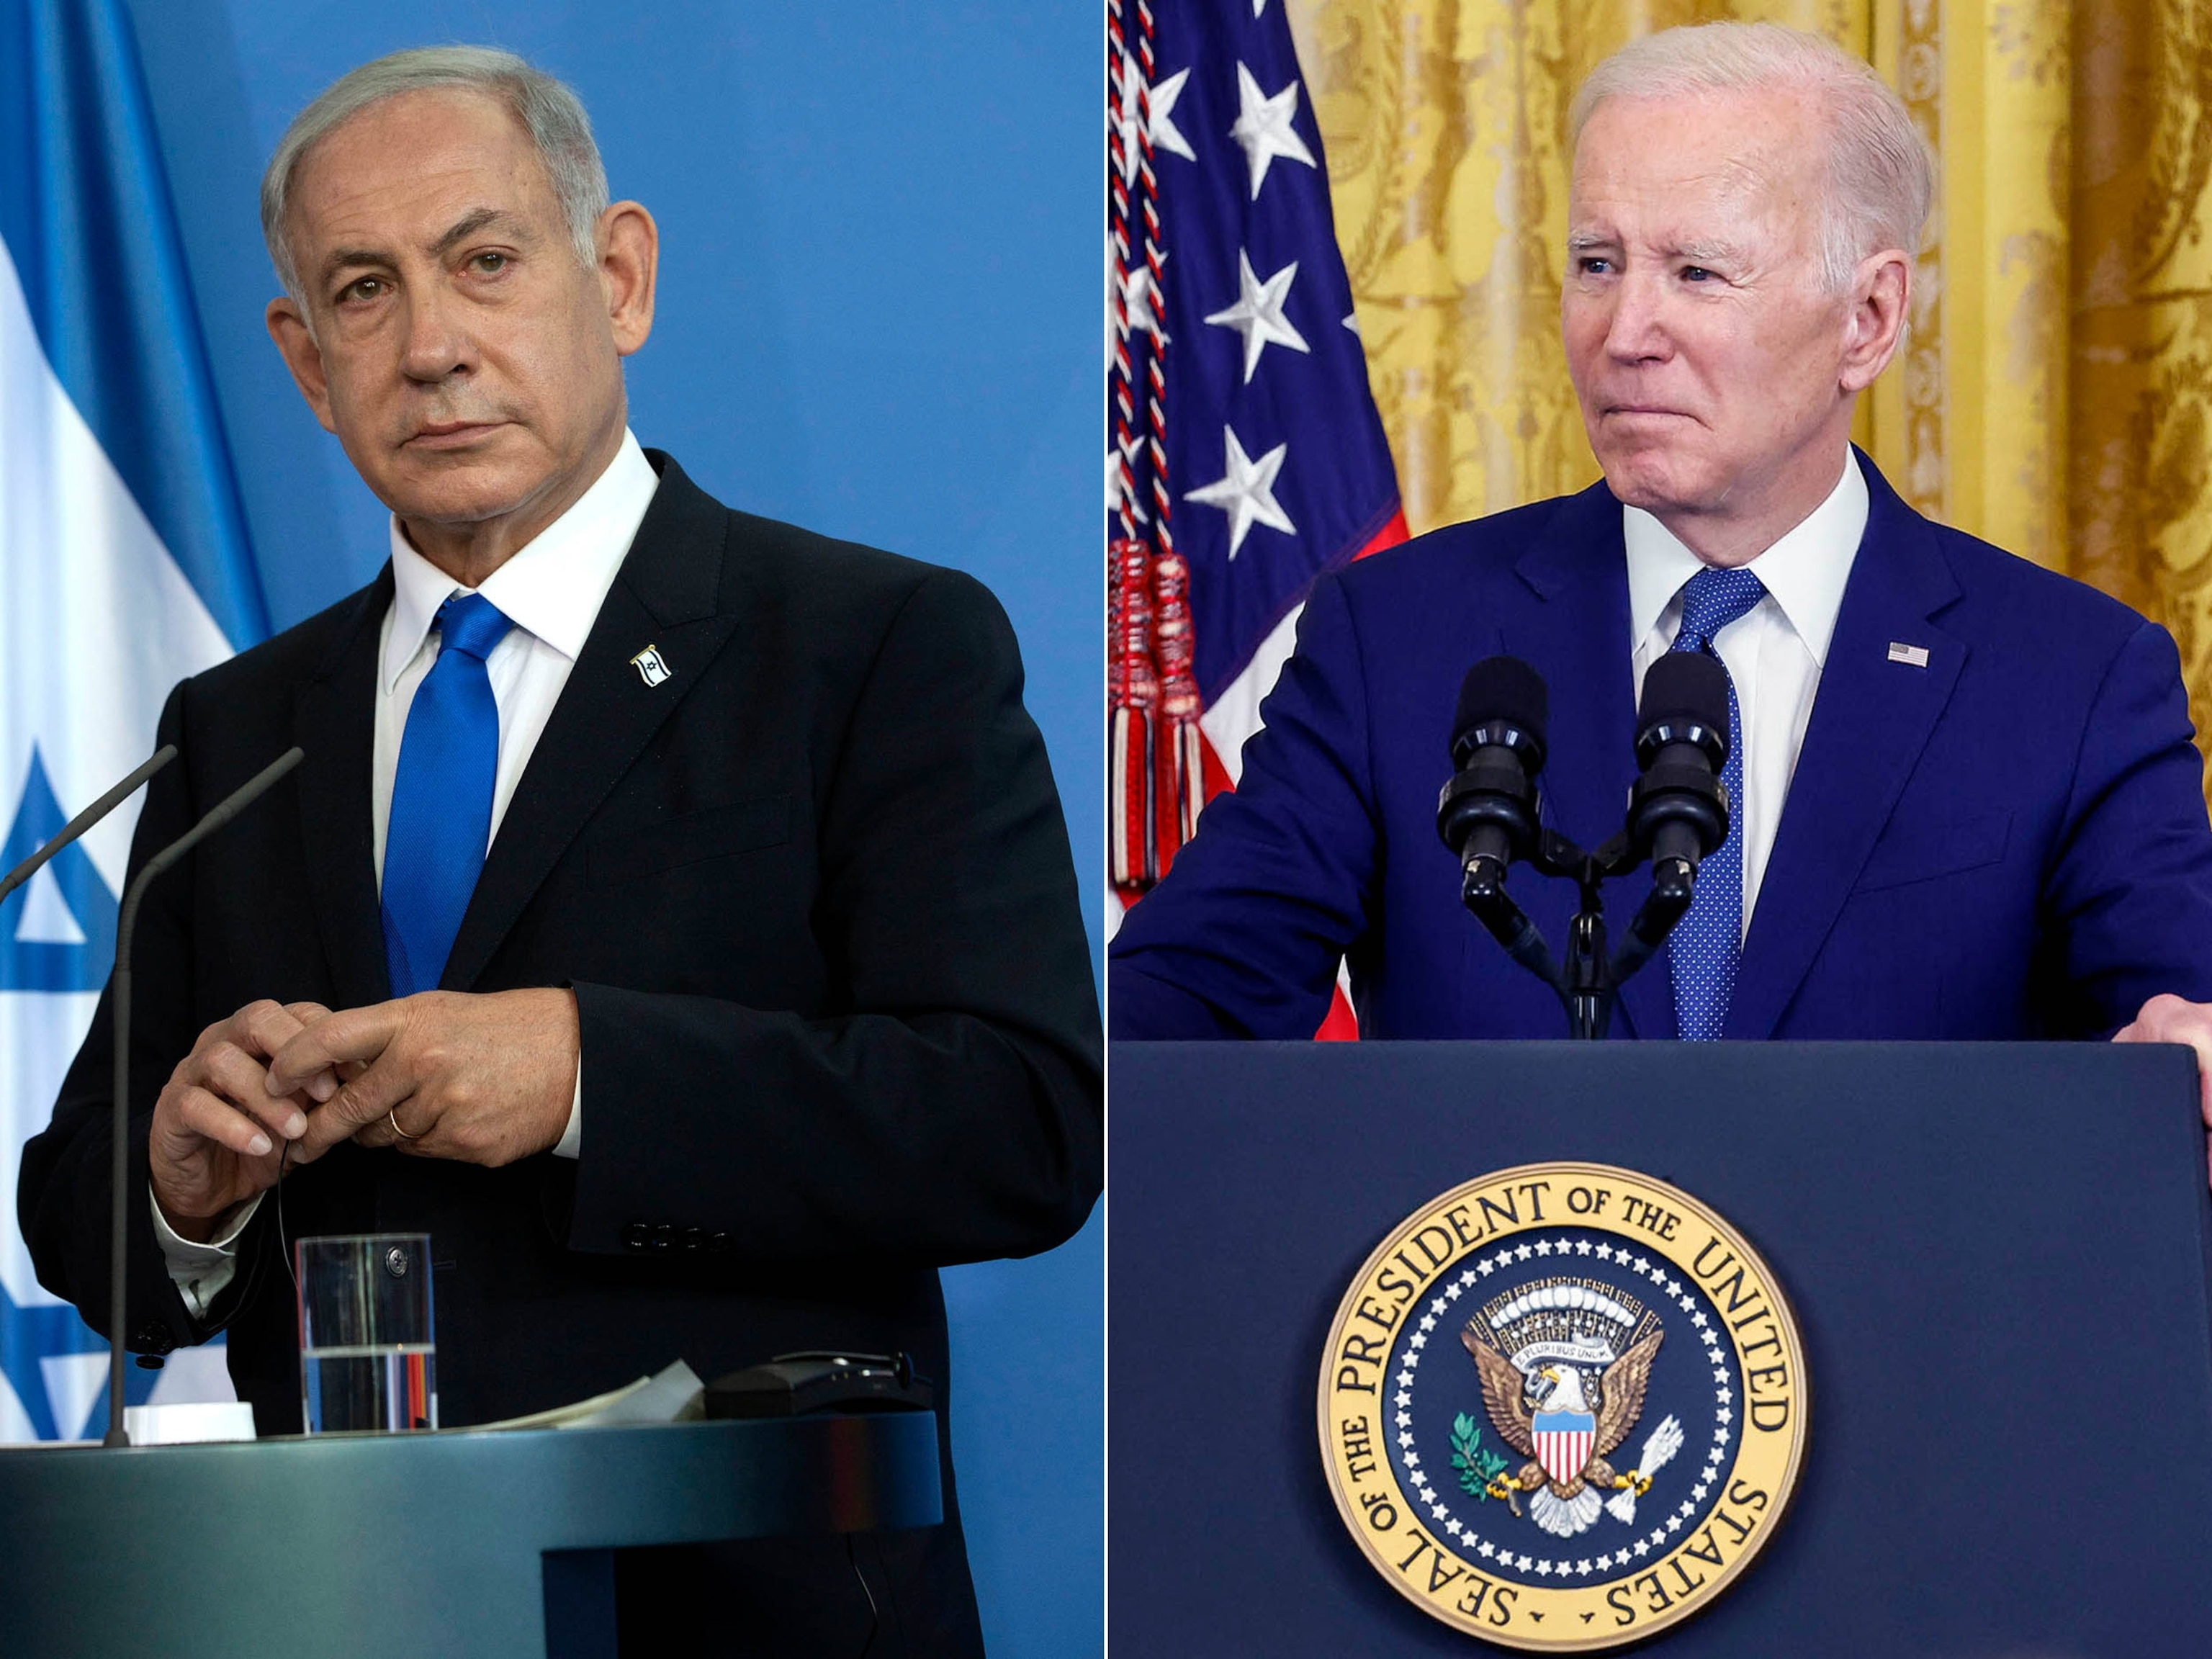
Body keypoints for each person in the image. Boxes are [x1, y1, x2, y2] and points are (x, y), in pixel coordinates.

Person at [17, 46, 1099, 1657]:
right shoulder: (239, 726)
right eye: (364, 292)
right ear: (305, 365)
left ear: (620, 277)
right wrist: (183, 1192)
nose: (435, 346)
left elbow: (1019, 1119)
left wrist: (590, 1076)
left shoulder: (870, 647)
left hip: (746, 1611)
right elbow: (87, 1220)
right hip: (331, 1609)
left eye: (485, 261)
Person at [1107, 22, 2212, 1137]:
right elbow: (1180, 1014)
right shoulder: (1396, 639)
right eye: (1598, 264)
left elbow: (2180, 1022)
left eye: (1697, 272)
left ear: (1869, 321)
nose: (1626, 332)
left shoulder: (2071, 683)